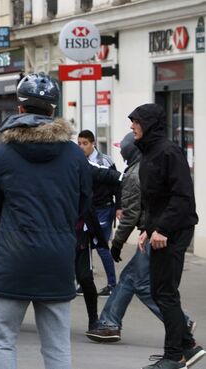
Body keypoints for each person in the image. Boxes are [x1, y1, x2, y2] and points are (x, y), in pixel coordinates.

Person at [0, 73, 91, 369]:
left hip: (13, 254)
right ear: (54, 110)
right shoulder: (75, 156)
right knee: (56, 344)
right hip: (58, 257)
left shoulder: (2, 154)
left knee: (3, 339)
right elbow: (84, 203)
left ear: (21, 109)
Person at [85, 133, 199, 356]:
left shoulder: (136, 172)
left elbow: (131, 213)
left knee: (148, 286)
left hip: (157, 233)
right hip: (154, 231)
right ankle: (110, 323)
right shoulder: (146, 166)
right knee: (132, 279)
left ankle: (181, 327)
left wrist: (117, 243)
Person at [129, 104, 203, 369]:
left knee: (164, 292)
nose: (131, 126)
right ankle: (188, 346)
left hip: (175, 230)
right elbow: (155, 199)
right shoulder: (150, 152)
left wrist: (162, 230)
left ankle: (175, 357)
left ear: (149, 124)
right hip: (162, 229)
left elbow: (183, 197)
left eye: (135, 121)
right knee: (162, 291)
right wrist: (147, 228)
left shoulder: (168, 151)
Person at [77, 130, 120, 296]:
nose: (81, 147)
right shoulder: (79, 161)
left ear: (93, 143)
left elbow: (117, 183)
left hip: (103, 209)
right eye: (79, 143)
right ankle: (85, 283)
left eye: (85, 143)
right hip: (86, 210)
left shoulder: (105, 160)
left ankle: (112, 285)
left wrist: (119, 207)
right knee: (83, 247)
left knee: (101, 246)